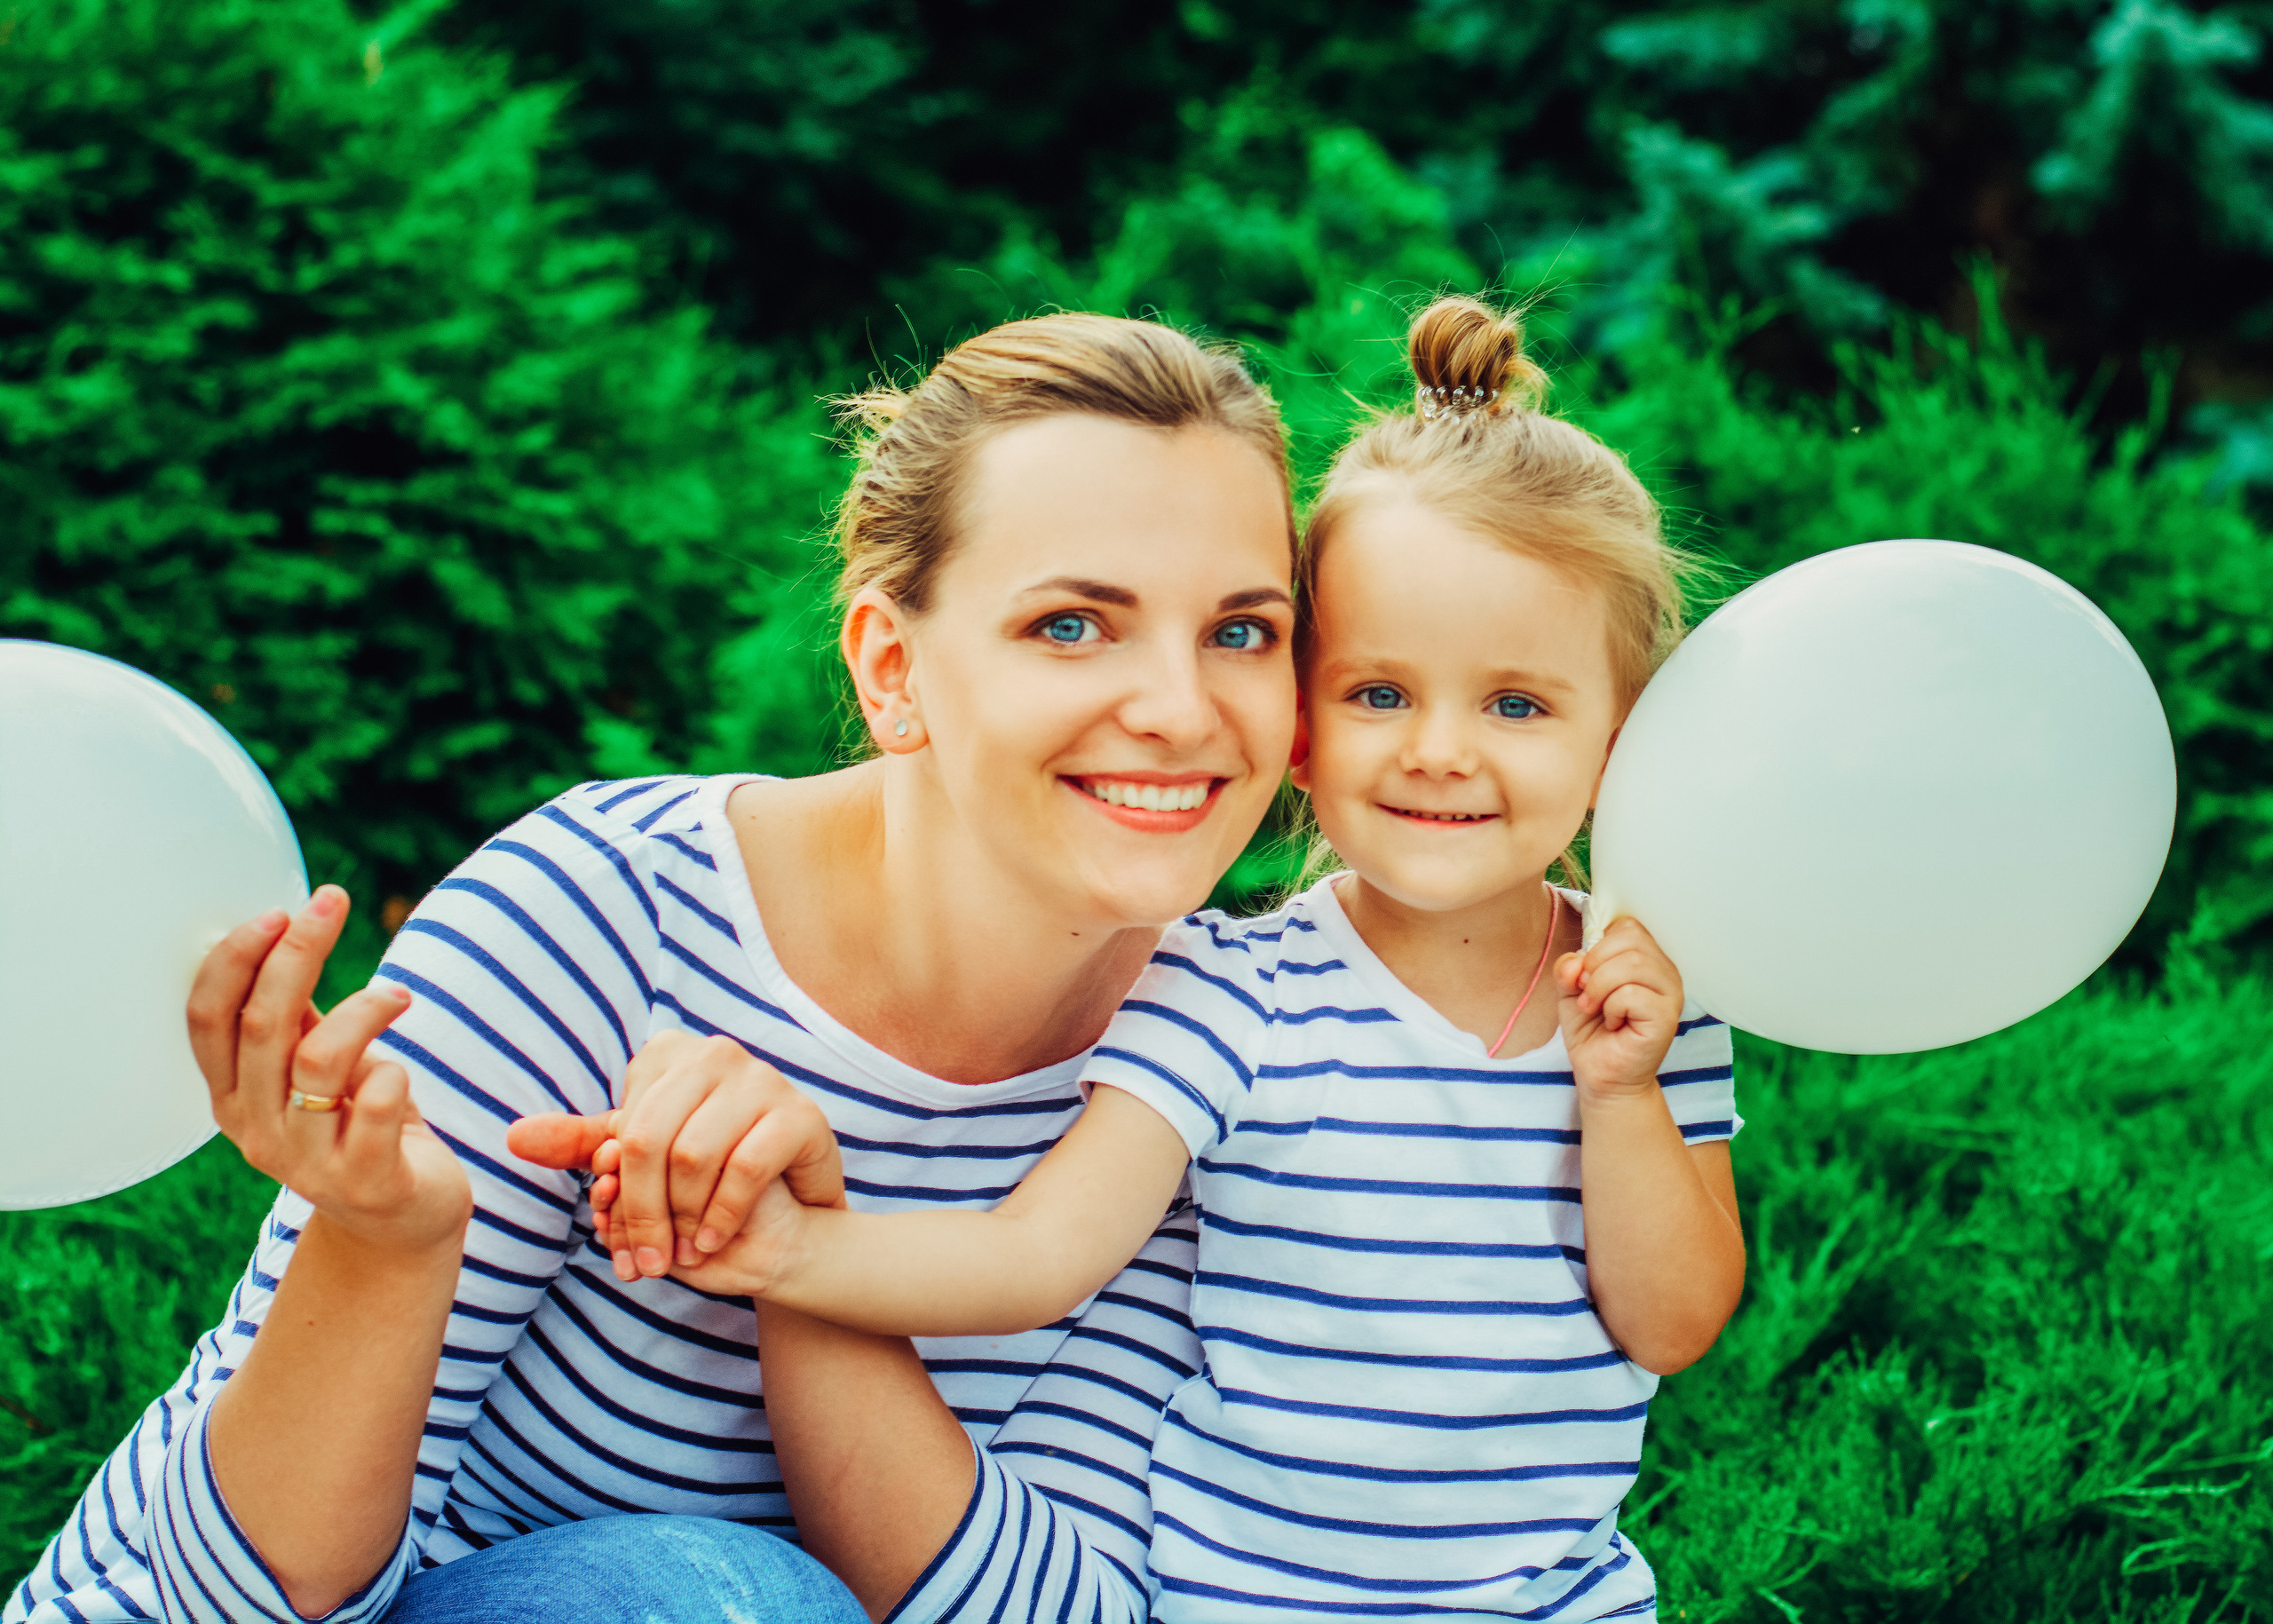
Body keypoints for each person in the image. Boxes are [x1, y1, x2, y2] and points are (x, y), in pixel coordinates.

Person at [2, 313, 1299, 1624]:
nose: (1183, 710)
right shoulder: (604, 915)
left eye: (1244, 632)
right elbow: (235, 1599)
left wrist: (801, 1257)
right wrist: (389, 1244)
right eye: (1074, 624)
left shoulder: (1232, 1062)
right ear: (892, 668)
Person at [648, 296, 1746, 1620]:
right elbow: (1037, 1254)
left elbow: (1671, 1324)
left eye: (1515, 704)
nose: (1441, 750)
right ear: (1296, 721)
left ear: (1622, 743)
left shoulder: (1642, 1006)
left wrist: (1622, 1092)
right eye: (1379, 692)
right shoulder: (1237, 991)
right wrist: (784, 1255)